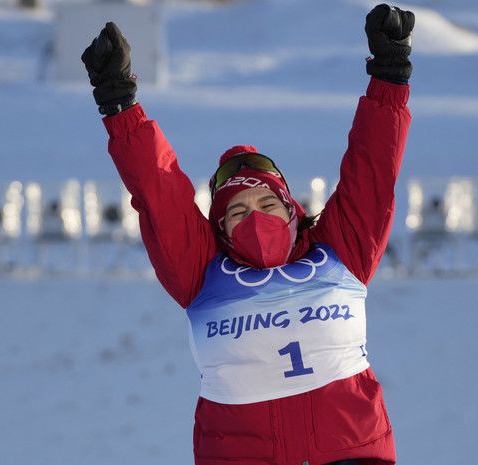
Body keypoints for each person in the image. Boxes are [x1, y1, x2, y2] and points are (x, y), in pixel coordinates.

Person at [81, 4, 414, 465]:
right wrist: (120, 104)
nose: (254, 217)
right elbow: (160, 195)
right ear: (220, 230)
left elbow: (372, 170)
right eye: (236, 211)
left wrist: (390, 77)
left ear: (293, 211)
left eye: (267, 204)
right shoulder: (200, 272)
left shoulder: (342, 251)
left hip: (351, 452)